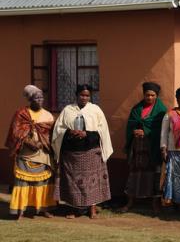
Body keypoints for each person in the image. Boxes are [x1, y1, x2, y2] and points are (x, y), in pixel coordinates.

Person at [52, 84, 113, 219]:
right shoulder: (68, 110)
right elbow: (58, 129)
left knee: (92, 181)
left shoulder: (95, 110)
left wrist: (87, 134)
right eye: (82, 95)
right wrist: (69, 131)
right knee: (72, 182)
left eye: (87, 95)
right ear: (77, 95)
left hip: (90, 151)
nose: (84, 97)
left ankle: (92, 209)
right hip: (71, 153)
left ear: (90, 97)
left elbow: (102, 131)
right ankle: (74, 209)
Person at [6, 85, 56, 219]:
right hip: (25, 154)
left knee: (43, 182)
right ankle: (20, 210)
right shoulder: (21, 114)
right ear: (30, 100)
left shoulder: (48, 115)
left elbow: (51, 136)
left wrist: (42, 144)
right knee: (23, 182)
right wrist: (31, 143)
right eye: (36, 98)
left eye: (41, 97)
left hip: (43, 154)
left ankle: (43, 208)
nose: (40, 100)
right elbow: (16, 133)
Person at [119, 82, 167, 214]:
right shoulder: (136, 109)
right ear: (144, 95)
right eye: (147, 95)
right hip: (138, 148)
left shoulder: (161, 110)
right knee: (134, 173)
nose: (149, 98)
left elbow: (161, 129)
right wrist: (134, 131)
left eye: (152, 95)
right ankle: (130, 202)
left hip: (152, 148)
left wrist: (145, 131)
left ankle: (155, 204)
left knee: (154, 175)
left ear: (156, 96)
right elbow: (131, 124)